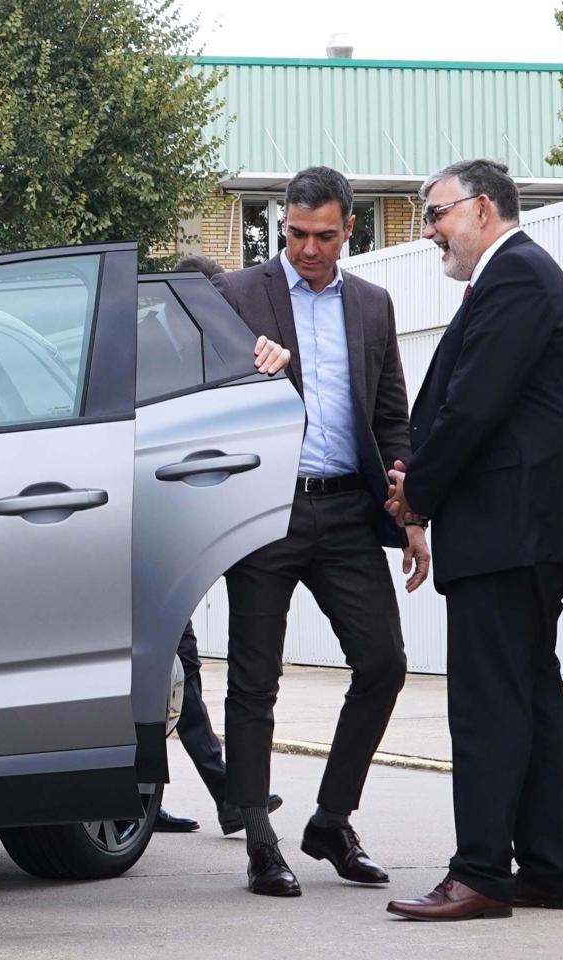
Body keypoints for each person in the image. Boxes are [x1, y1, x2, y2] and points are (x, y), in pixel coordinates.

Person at [385, 159, 563, 921]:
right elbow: (453, 398)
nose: (428, 231)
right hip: (520, 529)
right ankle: (548, 869)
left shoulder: (517, 276)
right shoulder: (512, 279)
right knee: (530, 699)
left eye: (436, 213)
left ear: (482, 208)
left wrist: (416, 494)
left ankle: (480, 872)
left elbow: (472, 409)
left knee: (488, 705)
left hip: (513, 529)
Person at [212, 166, 426, 898]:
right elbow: (198, 389)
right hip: (265, 510)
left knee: (384, 663)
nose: (308, 249)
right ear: (282, 224)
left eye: (324, 236)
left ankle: (331, 819)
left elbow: (392, 411)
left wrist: (407, 494)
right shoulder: (238, 296)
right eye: (296, 234)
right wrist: (247, 370)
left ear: (349, 230)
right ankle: (260, 841)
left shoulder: (372, 304)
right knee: (253, 681)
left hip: (345, 512)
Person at [153, 253, 283, 837]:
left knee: (175, 667)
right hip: (155, 530)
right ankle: (220, 791)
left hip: (185, 531)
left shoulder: (210, 348)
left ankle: (194, 792)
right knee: (171, 665)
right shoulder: (159, 345)